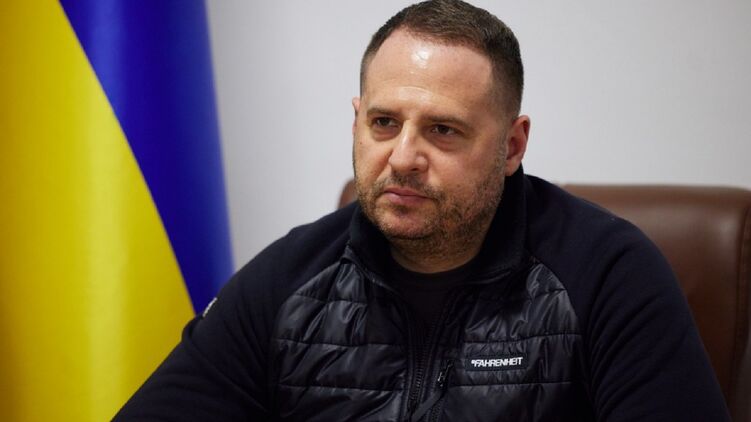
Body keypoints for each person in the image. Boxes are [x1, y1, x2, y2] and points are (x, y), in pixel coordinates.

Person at [116, 1, 730, 420]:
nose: (404, 157)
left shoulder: (608, 274)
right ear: (356, 122)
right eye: (384, 123)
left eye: (443, 130)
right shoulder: (289, 279)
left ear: (512, 146)